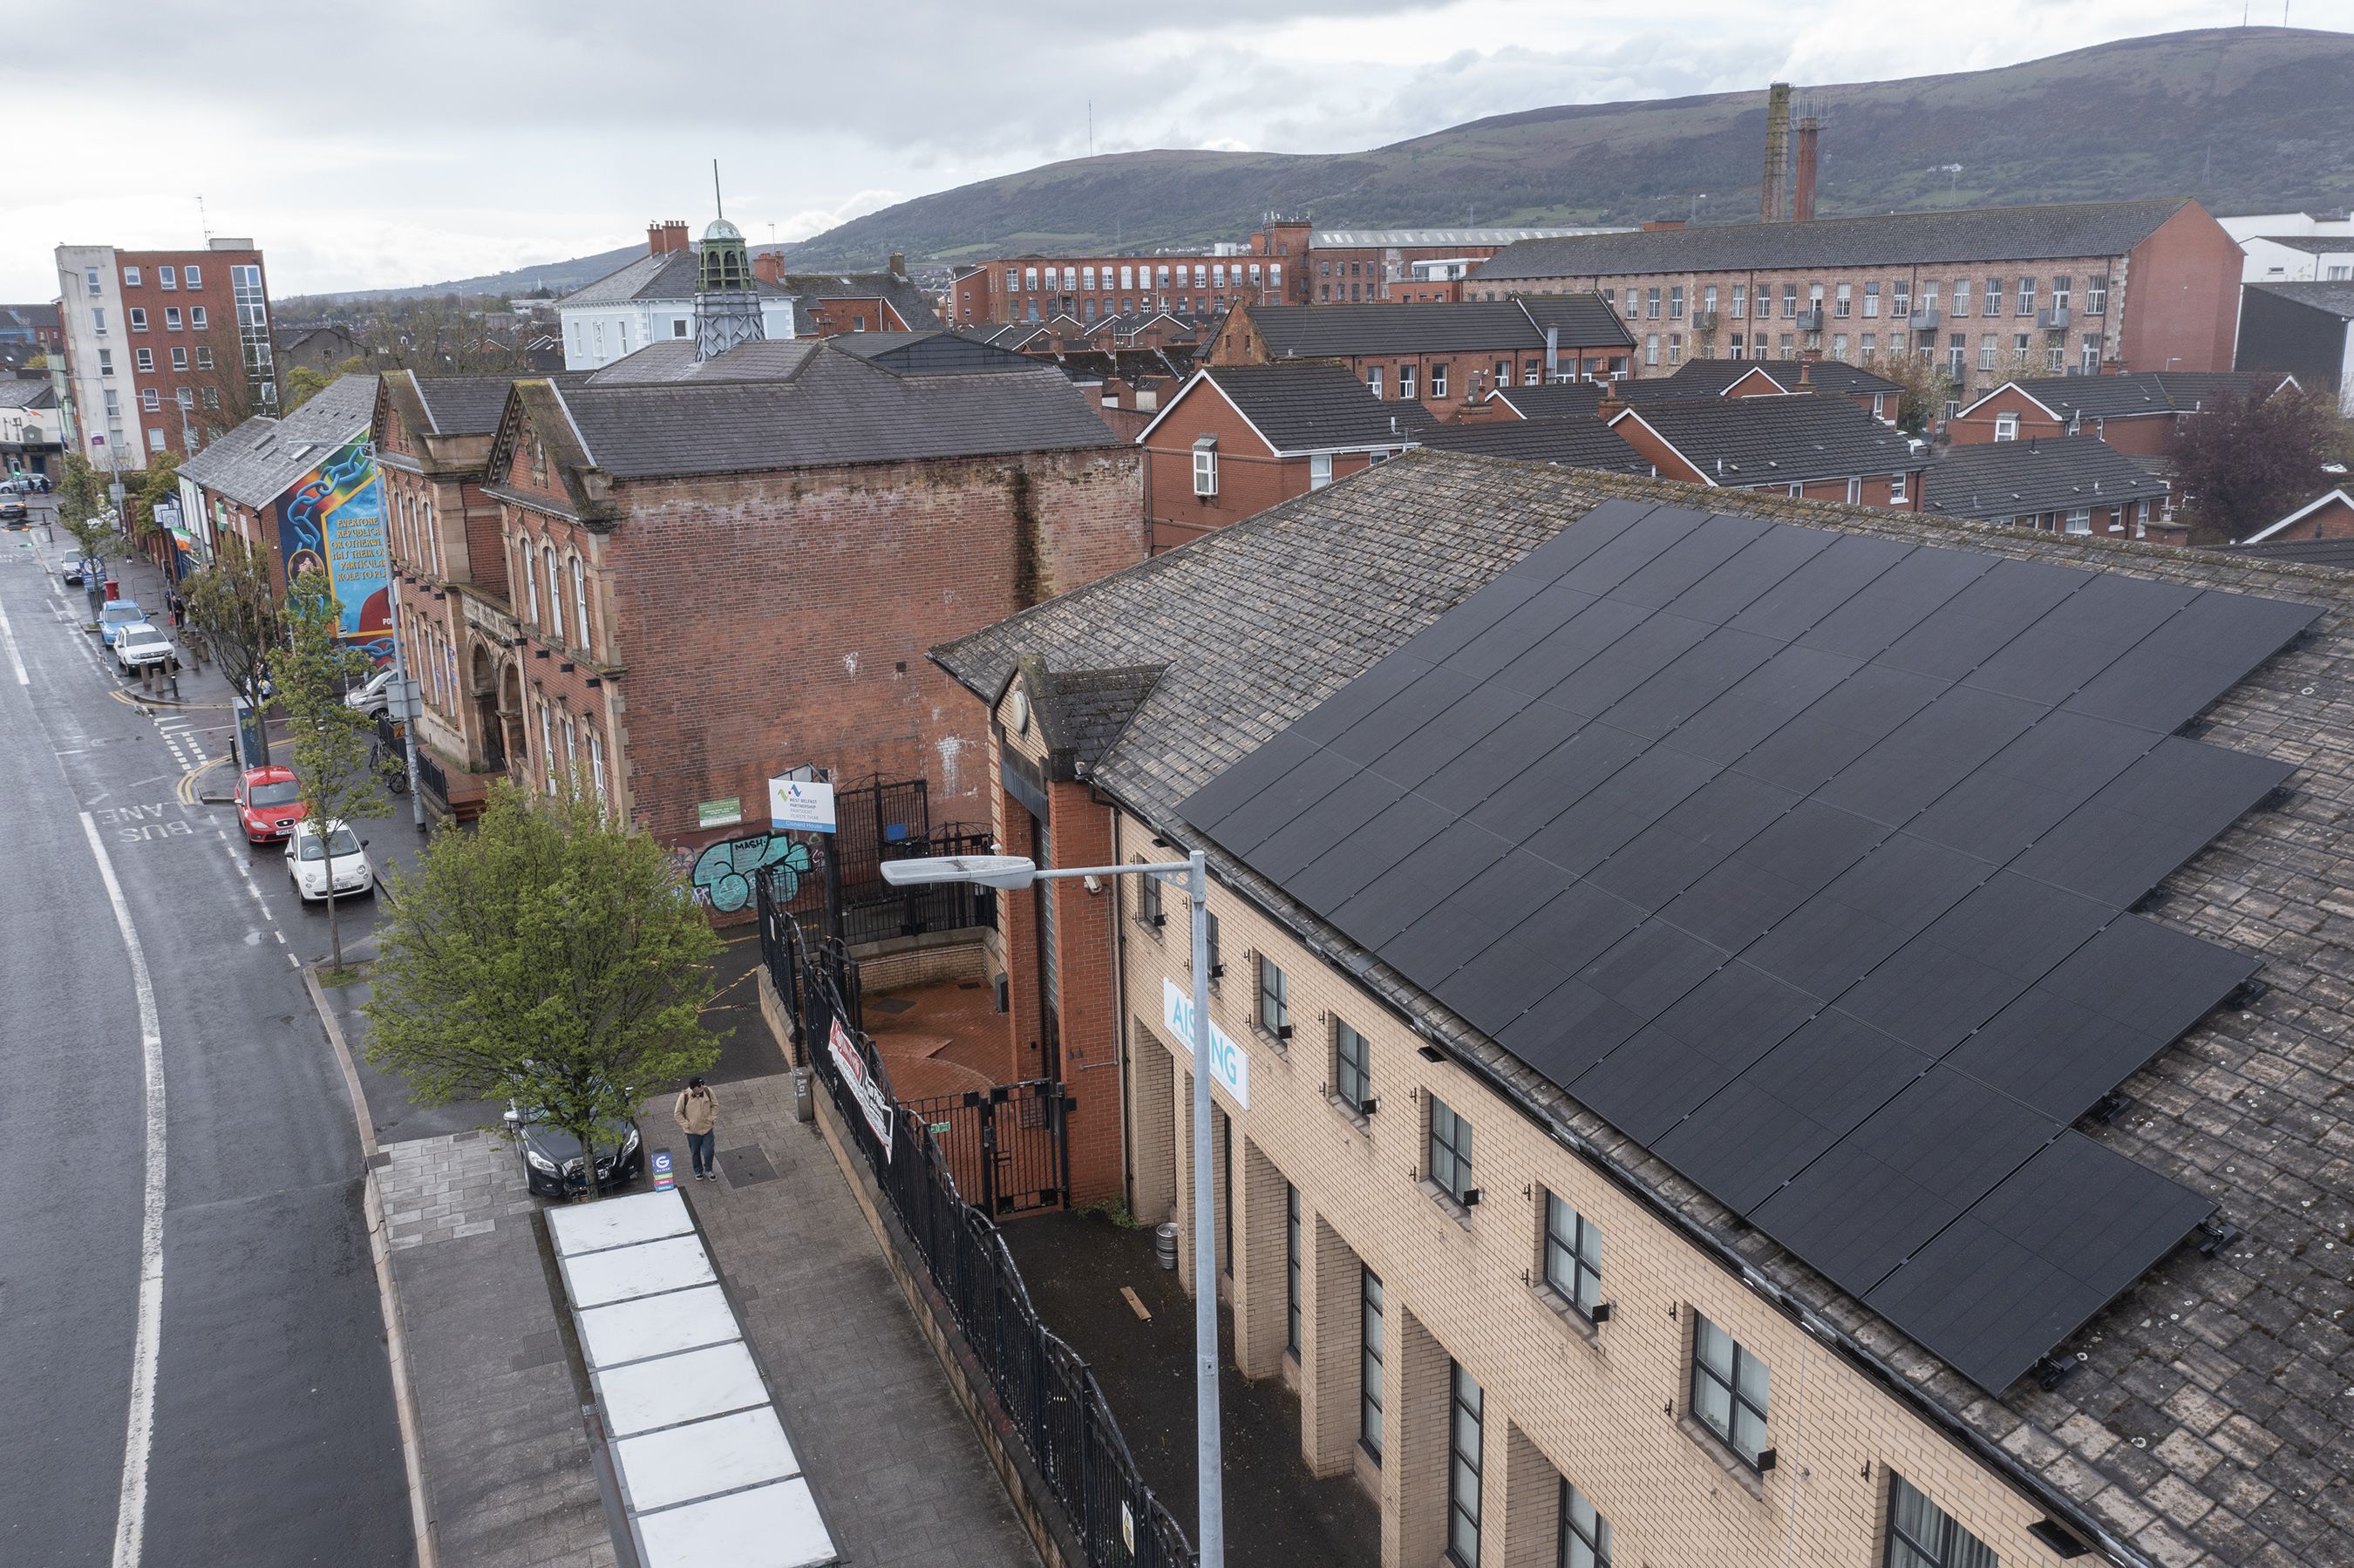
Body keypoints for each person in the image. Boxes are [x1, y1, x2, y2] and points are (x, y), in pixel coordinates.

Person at [673, 1077, 718, 1182]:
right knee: (695, 1152)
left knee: (709, 1151)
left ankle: (708, 1169)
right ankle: (698, 1171)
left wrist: (712, 1118)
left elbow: (715, 1105)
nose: (702, 1086)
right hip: (692, 1132)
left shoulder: (708, 1091)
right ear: (693, 1088)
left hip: (707, 1129)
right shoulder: (684, 1096)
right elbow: (677, 1113)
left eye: (702, 1084)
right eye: (699, 1085)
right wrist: (687, 1124)